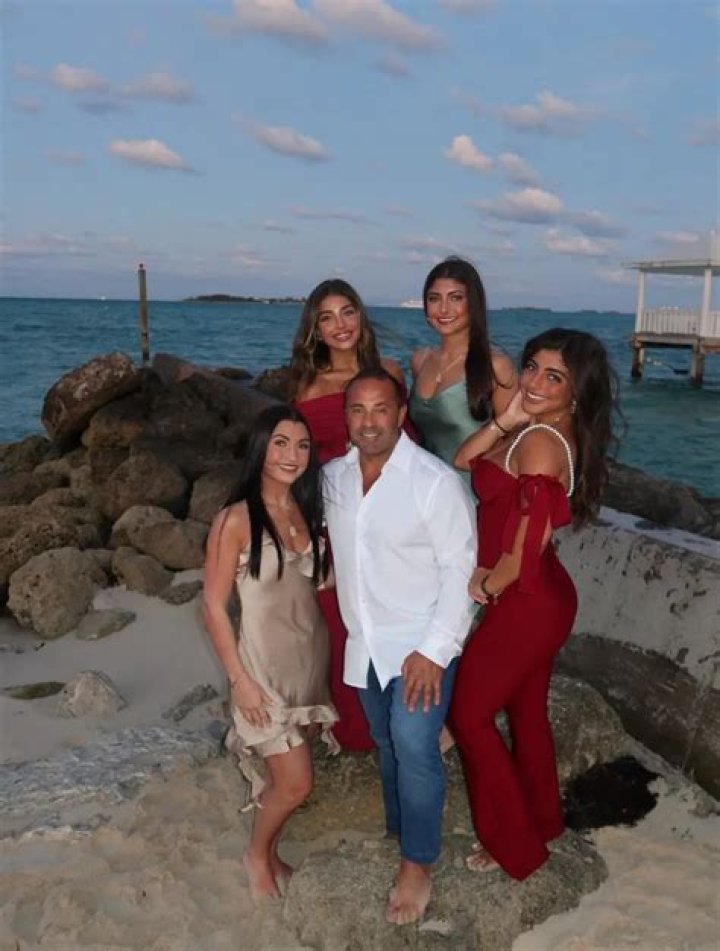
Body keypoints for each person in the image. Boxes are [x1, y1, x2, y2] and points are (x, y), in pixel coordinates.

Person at [450, 328, 618, 881]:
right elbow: (463, 458)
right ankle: (544, 822)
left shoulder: (544, 444)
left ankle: (514, 845)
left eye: (554, 376)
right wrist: (508, 417)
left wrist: (486, 583)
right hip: (542, 595)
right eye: (532, 368)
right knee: (526, 715)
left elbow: (527, 546)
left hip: (527, 599)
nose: (536, 382)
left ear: (577, 391)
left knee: (469, 717)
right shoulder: (536, 428)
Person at [323, 367, 477, 925]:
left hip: (420, 643)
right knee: (386, 741)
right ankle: (398, 827)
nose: (369, 422)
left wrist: (434, 651)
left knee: (413, 743)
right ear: (346, 417)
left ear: (402, 414)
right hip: (365, 643)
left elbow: (460, 569)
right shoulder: (333, 479)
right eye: (358, 410)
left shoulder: (433, 482)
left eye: (380, 409)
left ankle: (418, 864)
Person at [202, 404, 337, 901]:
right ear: (260, 448)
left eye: (302, 445)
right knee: (297, 784)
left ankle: (272, 851)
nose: (292, 455)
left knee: (288, 779)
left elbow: (319, 583)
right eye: (280, 443)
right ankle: (256, 855)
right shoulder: (235, 519)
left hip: (308, 665)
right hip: (262, 672)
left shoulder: (306, 509)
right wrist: (240, 682)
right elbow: (213, 607)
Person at [291, 278, 410, 752]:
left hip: (383, 512)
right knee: (334, 618)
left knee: (386, 613)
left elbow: (407, 444)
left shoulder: (388, 371)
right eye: (327, 317)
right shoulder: (306, 384)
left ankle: (397, 718)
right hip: (326, 514)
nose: (339, 325)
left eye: (347, 312)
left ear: (361, 316)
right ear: (315, 329)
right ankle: (350, 729)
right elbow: (297, 459)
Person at [408, 257, 517, 482]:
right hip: (423, 489)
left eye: (455, 298)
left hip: (472, 492)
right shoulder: (420, 360)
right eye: (434, 298)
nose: (444, 309)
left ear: (473, 304)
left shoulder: (495, 366)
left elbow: (513, 441)